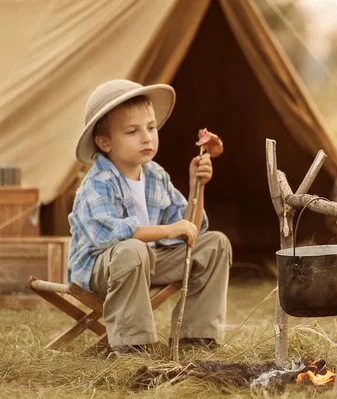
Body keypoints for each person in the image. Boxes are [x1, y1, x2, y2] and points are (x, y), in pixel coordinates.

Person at [68, 79, 231, 355]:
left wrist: (196, 186)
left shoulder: (155, 175)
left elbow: (190, 228)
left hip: (149, 259)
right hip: (104, 270)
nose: (147, 137)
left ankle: (197, 338)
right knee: (132, 249)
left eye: (151, 127)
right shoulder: (98, 183)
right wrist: (167, 231)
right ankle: (134, 345)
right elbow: (112, 235)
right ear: (104, 142)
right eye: (132, 131)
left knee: (215, 244)